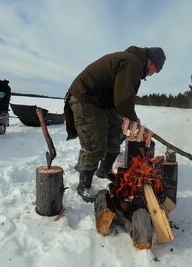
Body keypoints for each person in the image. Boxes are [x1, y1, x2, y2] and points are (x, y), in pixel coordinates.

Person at [64, 46, 166, 202]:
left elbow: (120, 97)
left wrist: (128, 122)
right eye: (156, 71)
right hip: (86, 97)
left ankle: (104, 171)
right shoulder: (132, 63)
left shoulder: (133, 63)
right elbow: (123, 100)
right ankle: (84, 185)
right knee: (95, 145)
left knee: (116, 135)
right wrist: (133, 120)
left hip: (102, 103)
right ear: (152, 63)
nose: (153, 74)